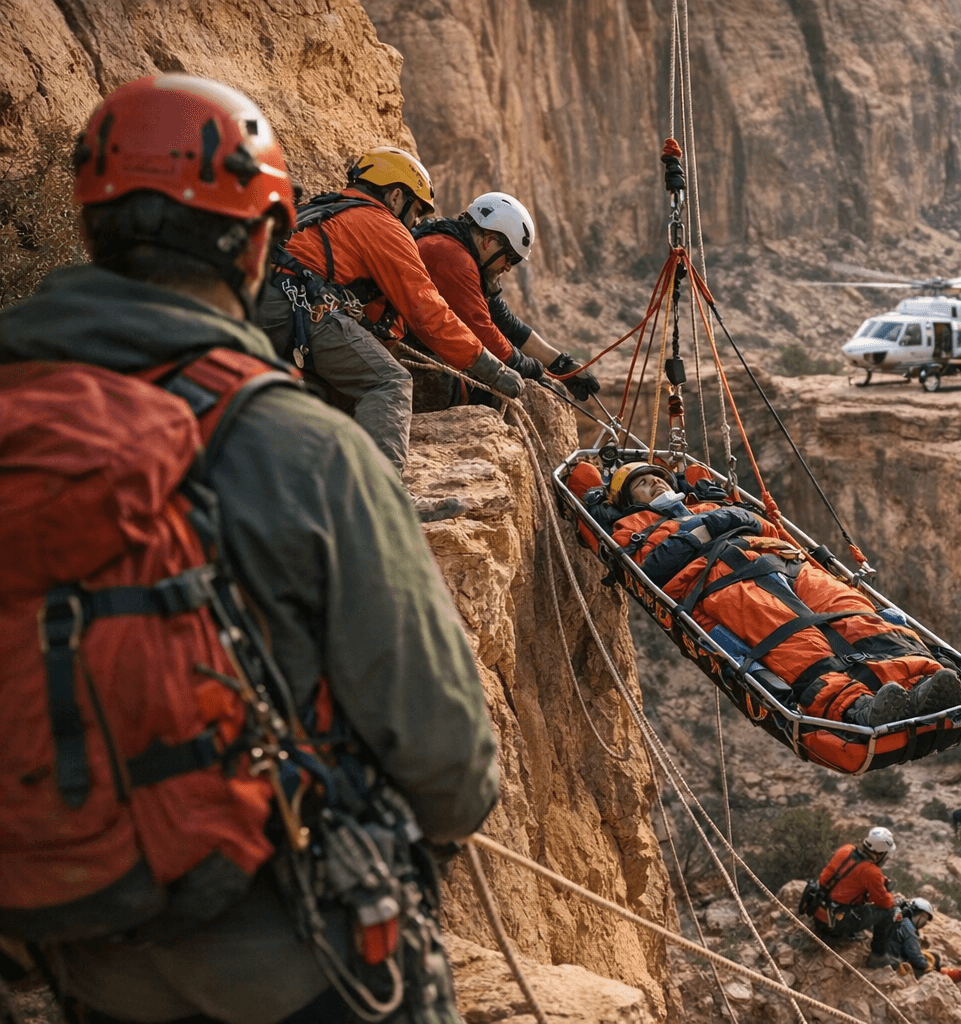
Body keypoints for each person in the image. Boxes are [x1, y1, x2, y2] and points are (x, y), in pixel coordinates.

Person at [0, 74, 499, 1023]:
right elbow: (451, 763)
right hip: (292, 952)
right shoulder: (304, 452)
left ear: (94, 225)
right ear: (257, 237)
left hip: (78, 944)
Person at [586, 461, 961, 727]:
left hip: (781, 562)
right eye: (643, 482)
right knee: (796, 641)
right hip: (721, 582)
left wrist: (721, 519)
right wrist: (710, 528)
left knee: (853, 613)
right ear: (628, 500)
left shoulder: (708, 502)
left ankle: (925, 681)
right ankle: (857, 708)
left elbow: (765, 525)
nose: (657, 483)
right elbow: (652, 569)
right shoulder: (630, 527)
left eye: (659, 476)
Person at [257, 146, 527, 473]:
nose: (414, 223)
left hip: (267, 302)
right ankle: (386, 497)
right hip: (300, 308)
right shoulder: (381, 224)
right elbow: (428, 312)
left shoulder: (328, 209)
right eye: (415, 212)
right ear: (397, 196)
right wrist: (494, 371)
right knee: (389, 382)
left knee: (339, 395)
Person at [408, 191, 600, 409]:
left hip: (418, 348)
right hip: (410, 360)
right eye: (510, 258)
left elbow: (505, 322)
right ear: (490, 242)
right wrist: (531, 369)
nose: (508, 267)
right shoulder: (451, 256)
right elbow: (483, 332)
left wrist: (561, 365)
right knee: (507, 397)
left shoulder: (459, 250)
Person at [812, 828, 902, 967]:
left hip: (819, 908)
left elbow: (846, 875)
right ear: (880, 854)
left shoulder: (846, 849)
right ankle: (878, 956)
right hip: (838, 921)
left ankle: (836, 930)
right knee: (888, 913)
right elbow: (885, 903)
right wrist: (888, 894)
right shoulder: (871, 871)